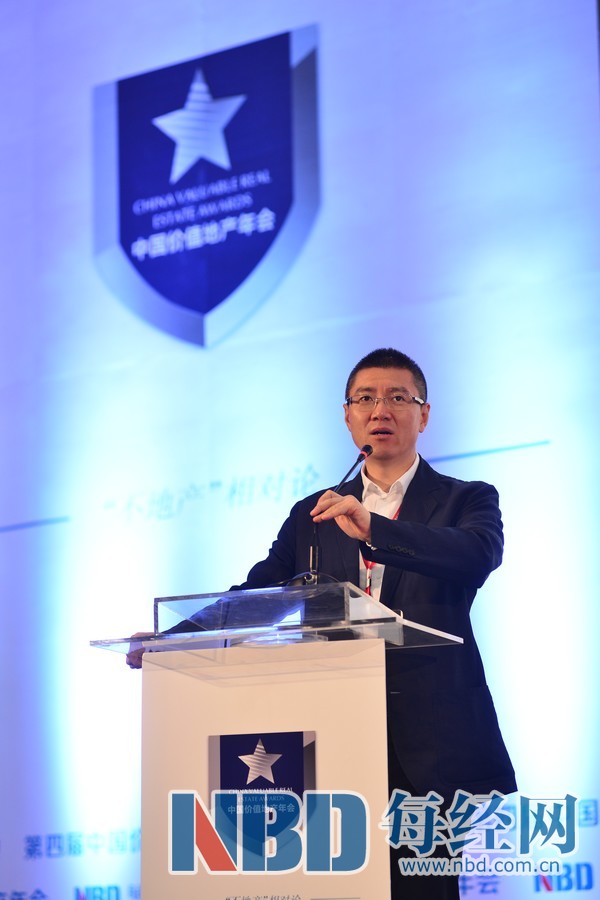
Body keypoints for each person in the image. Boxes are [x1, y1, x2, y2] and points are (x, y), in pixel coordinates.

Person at [231, 347, 517, 898]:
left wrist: (374, 530)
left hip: (429, 751)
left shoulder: (467, 499)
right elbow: (259, 590)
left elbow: (478, 554)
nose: (380, 410)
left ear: (423, 415)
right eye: (365, 398)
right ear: (348, 416)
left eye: (397, 398)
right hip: (331, 738)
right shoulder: (314, 513)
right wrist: (173, 640)